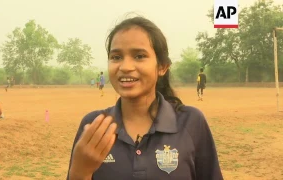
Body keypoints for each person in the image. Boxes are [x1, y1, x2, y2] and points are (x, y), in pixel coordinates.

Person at [66, 16, 223, 180]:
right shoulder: (94, 126)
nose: (125, 67)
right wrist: (80, 172)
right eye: (116, 57)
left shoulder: (191, 122)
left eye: (139, 56)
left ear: (162, 67)